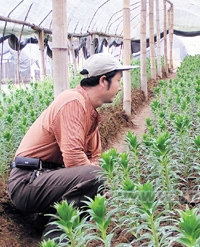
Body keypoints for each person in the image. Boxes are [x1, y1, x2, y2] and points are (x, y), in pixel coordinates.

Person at [7, 52, 137, 242]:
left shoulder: (90, 111)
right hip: (27, 182)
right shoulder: (73, 102)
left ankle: (51, 224)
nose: (120, 87)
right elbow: (74, 158)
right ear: (103, 81)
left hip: (45, 178)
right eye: (118, 80)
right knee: (95, 176)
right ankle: (56, 240)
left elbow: (95, 157)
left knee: (96, 176)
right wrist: (100, 180)